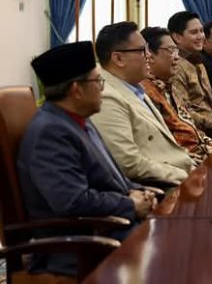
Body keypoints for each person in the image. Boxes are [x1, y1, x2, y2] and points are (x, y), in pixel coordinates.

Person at [17, 41, 156, 277]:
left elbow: (111, 177)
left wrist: (140, 192)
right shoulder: (50, 133)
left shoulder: (77, 120)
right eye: (97, 81)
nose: (102, 89)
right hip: (80, 245)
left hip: (109, 228)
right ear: (76, 90)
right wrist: (130, 205)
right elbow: (72, 201)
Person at [91, 22, 194, 185]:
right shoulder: (106, 97)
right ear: (118, 58)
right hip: (162, 186)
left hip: (182, 171)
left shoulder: (135, 86)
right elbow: (128, 163)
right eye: (142, 50)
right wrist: (185, 176)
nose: (149, 56)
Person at [140, 27, 212, 164]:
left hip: (204, 151)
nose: (177, 57)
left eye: (177, 51)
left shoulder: (169, 86)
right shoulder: (145, 93)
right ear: (149, 55)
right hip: (187, 163)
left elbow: (191, 128)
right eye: (171, 51)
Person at [168, 11, 212, 141]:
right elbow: (183, 112)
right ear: (177, 37)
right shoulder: (175, 67)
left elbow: (208, 105)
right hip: (201, 136)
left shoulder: (199, 62)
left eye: (201, 31)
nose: (201, 36)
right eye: (194, 32)